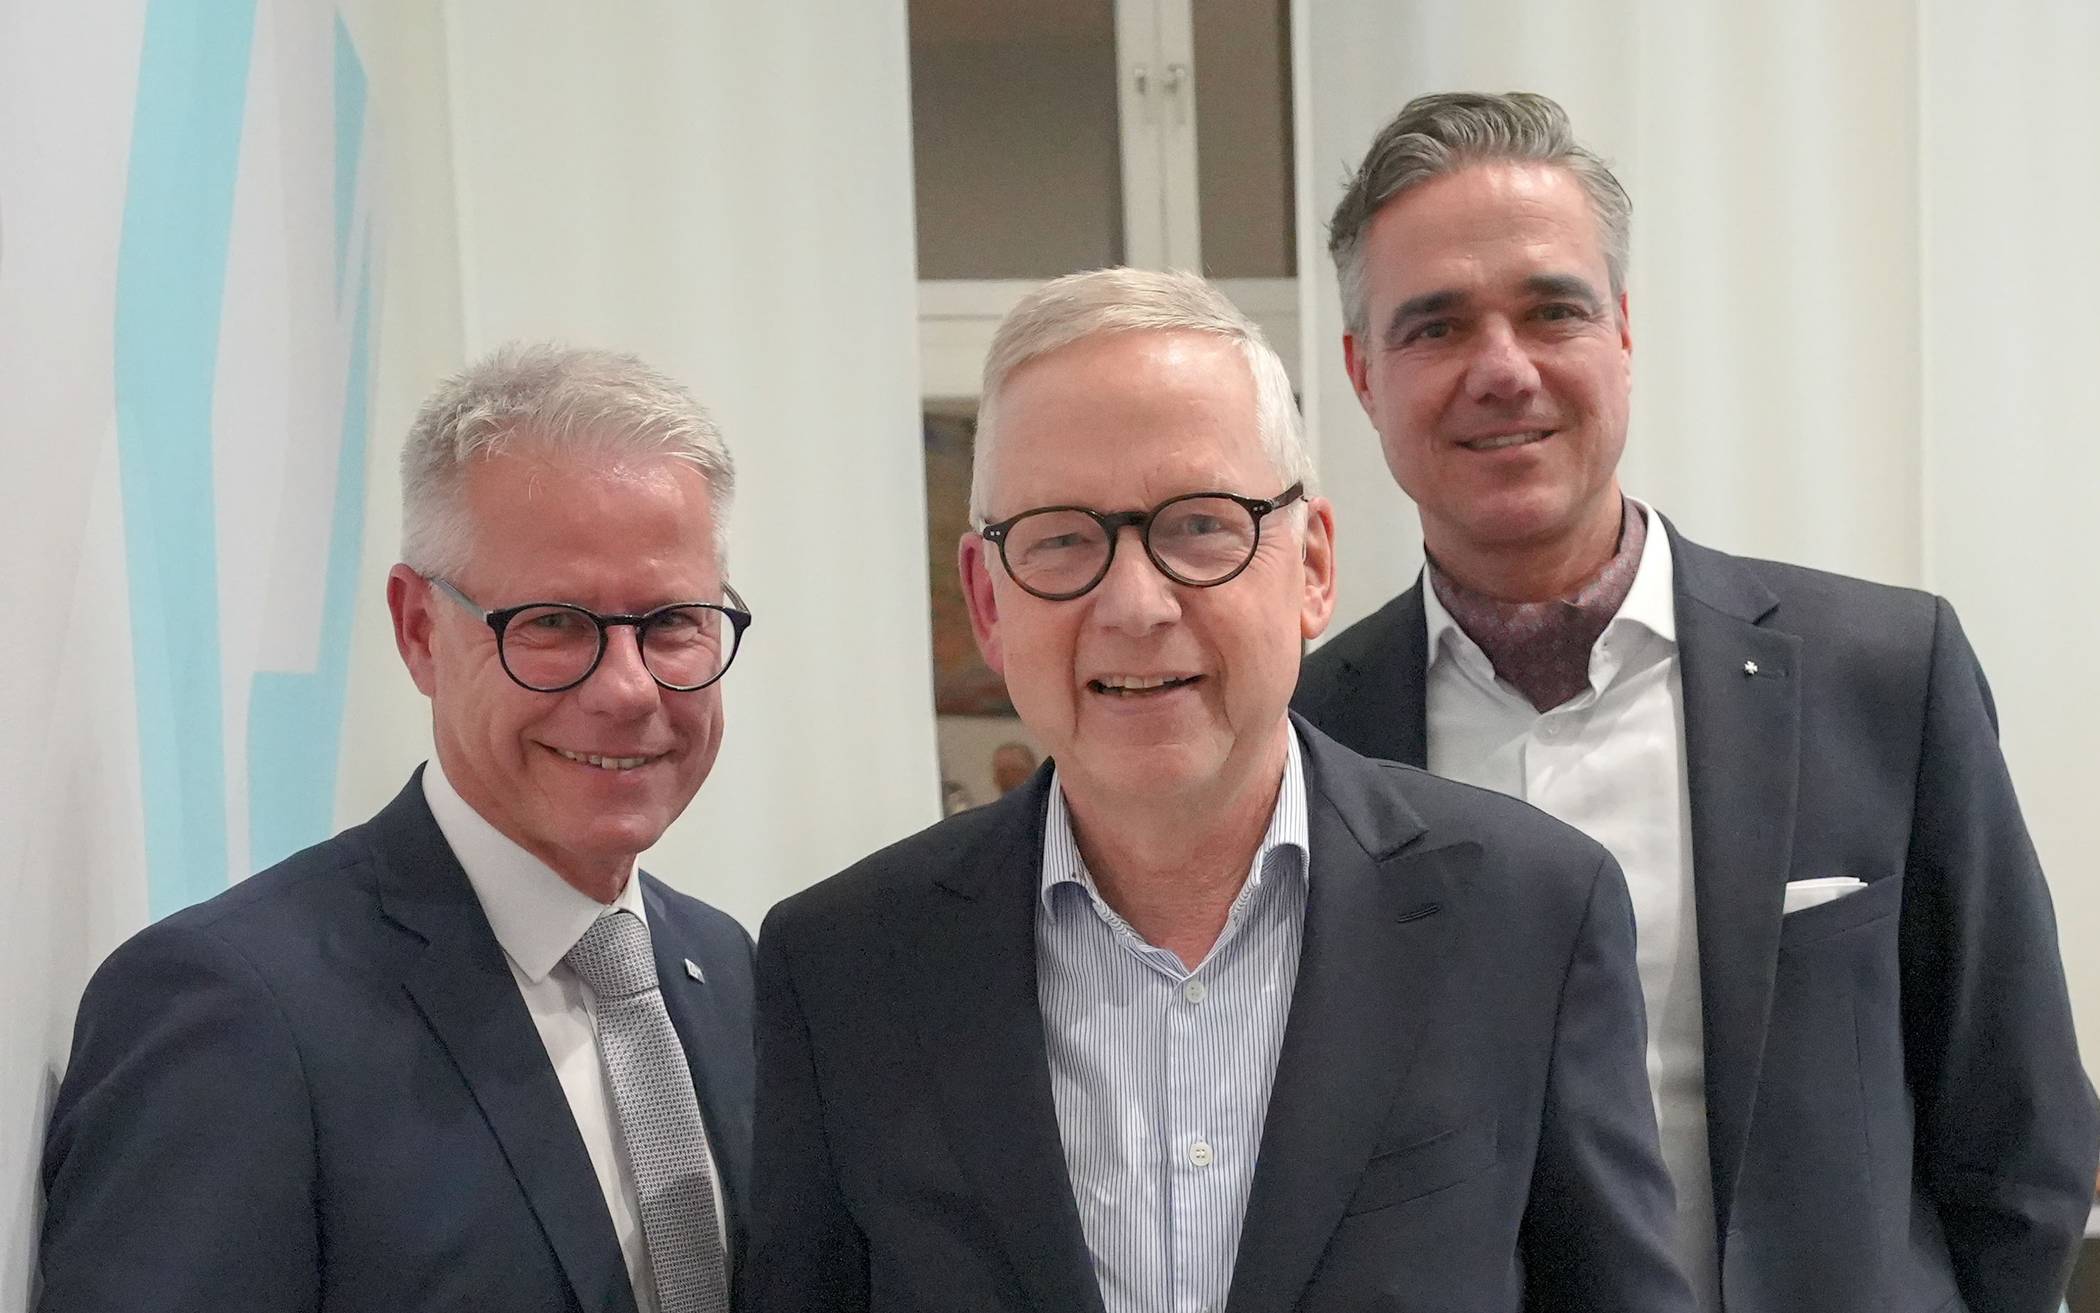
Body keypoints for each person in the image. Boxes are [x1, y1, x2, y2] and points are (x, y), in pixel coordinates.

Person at [745, 268, 1694, 1312]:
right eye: (1063, 537)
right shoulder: (842, 969)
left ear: (1313, 566)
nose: (1137, 602)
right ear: (986, 597)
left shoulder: (1529, 914)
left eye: (1200, 524)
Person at [1293, 91, 2100, 1313]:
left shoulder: (1885, 673)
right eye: (1436, 326)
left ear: (1622, 332)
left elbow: (2020, 1119)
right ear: (1363, 375)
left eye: (1552, 309)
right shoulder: (1305, 734)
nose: (1501, 369)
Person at [39, 346, 757, 1312]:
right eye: (552, 622)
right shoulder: (237, 1010)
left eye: (673, 621)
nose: (628, 688)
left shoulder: (727, 966)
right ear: (420, 628)